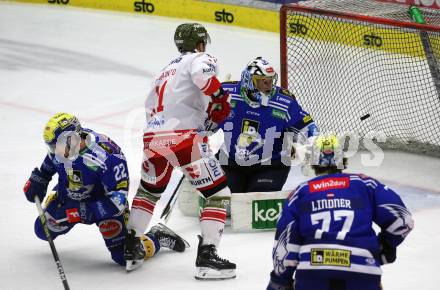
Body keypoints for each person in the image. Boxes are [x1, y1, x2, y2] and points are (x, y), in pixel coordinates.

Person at [124, 23, 236, 279]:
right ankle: (207, 256)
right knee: (218, 193)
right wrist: (219, 97)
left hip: (153, 138)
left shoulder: (163, 72)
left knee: (148, 192)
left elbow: (153, 109)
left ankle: (131, 247)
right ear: (200, 43)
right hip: (185, 139)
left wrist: (205, 121)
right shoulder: (200, 59)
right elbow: (203, 79)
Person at [23, 113, 188, 268]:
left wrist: (85, 211)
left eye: (56, 147)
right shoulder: (61, 149)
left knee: (125, 258)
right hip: (70, 199)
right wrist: (38, 180)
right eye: (52, 148)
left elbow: (118, 200)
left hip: (104, 208)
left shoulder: (108, 157)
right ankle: (57, 199)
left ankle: (157, 236)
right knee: (42, 231)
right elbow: (49, 166)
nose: (55, 152)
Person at [266, 135, 414, 290]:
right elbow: (403, 219)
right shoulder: (364, 184)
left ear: (313, 162)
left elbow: (285, 243)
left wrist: (279, 281)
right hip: (362, 271)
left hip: (313, 272)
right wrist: (385, 248)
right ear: (342, 159)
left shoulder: (301, 192)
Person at [217, 57, 318, 193]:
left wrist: (311, 146)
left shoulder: (283, 101)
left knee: (255, 206)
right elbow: (203, 119)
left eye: (270, 81)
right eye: (264, 82)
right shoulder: (228, 93)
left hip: (270, 165)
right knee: (223, 199)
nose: (269, 86)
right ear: (249, 81)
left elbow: (308, 128)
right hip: (231, 162)